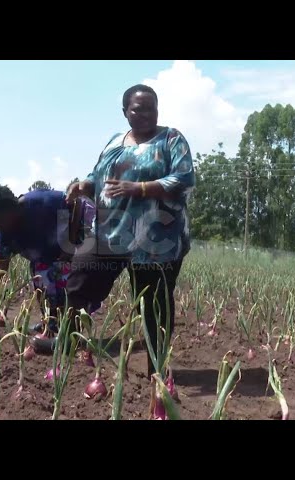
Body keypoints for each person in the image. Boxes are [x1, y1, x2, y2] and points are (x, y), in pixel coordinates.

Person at [64, 83, 195, 378]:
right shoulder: (114, 141)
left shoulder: (171, 139)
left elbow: (184, 178)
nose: (146, 113)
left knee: (153, 304)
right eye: (139, 108)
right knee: (78, 282)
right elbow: (98, 174)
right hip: (109, 233)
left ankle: (156, 368)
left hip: (155, 241)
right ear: (125, 112)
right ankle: (68, 343)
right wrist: (83, 186)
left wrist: (141, 188)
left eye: (152, 107)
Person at [0, 183, 94, 339]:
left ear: (9, 210)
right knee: (41, 276)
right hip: (45, 257)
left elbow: (77, 203)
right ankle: (50, 325)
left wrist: (70, 243)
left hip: (73, 248)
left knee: (65, 282)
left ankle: (71, 331)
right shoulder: (5, 235)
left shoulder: (43, 202)